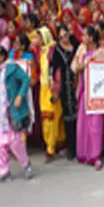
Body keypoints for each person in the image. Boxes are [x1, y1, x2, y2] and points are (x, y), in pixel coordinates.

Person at [0, 46, 33, 183]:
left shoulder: (12, 68)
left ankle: (26, 164)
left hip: (10, 112)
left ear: (1, 57)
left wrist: (20, 96)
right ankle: (4, 172)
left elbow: (26, 80)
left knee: (15, 141)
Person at [74, 26, 104, 170]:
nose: (83, 38)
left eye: (85, 35)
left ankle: (95, 156)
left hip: (97, 93)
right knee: (84, 125)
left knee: (95, 125)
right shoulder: (83, 52)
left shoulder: (100, 52)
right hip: (84, 91)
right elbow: (75, 68)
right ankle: (85, 153)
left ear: (92, 38)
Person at [36, 26, 66, 162]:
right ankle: (58, 143)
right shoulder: (41, 52)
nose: (36, 39)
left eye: (39, 37)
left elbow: (56, 71)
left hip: (52, 87)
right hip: (43, 87)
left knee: (52, 118)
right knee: (46, 117)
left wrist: (56, 90)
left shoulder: (52, 51)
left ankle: (50, 148)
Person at [50, 25, 79, 160]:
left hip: (79, 81)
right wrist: (52, 82)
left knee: (80, 115)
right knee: (69, 117)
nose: (64, 39)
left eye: (65, 35)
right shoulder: (57, 50)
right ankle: (72, 148)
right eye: (61, 37)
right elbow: (52, 67)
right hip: (66, 84)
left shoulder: (74, 42)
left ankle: (82, 146)